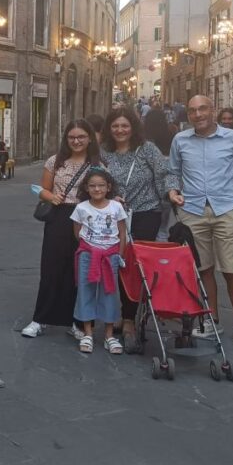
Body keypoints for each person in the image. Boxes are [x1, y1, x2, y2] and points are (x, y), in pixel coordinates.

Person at [167, 95, 233, 350]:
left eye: (203, 109)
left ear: (212, 110)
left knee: (231, 270)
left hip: (227, 209)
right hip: (192, 211)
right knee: (203, 269)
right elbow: (172, 172)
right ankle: (210, 319)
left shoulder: (232, 138)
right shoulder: (180, 140)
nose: (198, 114)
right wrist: (173, 192)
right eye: (193, 111)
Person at [21, 119, 100, 339]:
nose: (76, 141)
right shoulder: (55, 162)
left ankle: (77, 322)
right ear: (66, 139)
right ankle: (40, 318)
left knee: (79, 272)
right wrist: (51, 196)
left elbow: (102, 190)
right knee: (51, 267)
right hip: (59, 216)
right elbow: (42, 189)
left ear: (89, 138)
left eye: (81, 137)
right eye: (72, 137)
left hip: (86, 218)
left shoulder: (97, 164)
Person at [100, 107, 169, 352]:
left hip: (145, 213)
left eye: (124, 126)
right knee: (118, 262)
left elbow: (164, 173)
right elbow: (95, 180)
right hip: (115, 216)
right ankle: (123, 312)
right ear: (109, 128)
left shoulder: (147, 149)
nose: (120, 130)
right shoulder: (104, 152)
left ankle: (130, 318)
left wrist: (171, 194)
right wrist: (108, 198)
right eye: (115, 126)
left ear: (133, 128)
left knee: (135, 264)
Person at [71, 167, 128, 354]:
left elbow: (122, 232)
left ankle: (109, 335)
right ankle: (87, 332)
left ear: (108, 187)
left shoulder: (116, 207)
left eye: (101, 186)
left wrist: (119, 254)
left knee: (109, 293)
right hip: (88, 254)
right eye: (93, 186)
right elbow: (77, 232)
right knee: (85, 291)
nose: (97, 189)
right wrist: (90, 248)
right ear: (86, 188)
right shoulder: (81, 208)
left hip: (110, 255)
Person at [143, 108, 177, 242]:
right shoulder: (171, 133)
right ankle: (162, 249)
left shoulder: (144, 137)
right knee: (164, 225)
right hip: (167, 186)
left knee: (151, 225)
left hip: (149, 188)